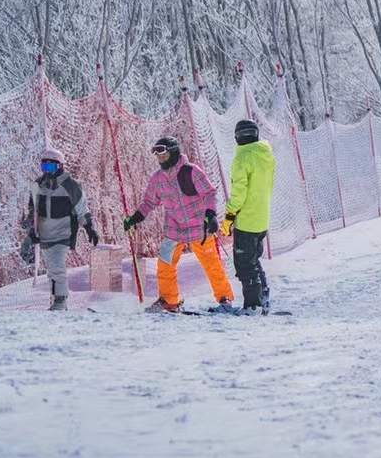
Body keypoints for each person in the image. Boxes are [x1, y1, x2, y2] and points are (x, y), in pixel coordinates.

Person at [122, 136, 235, 313]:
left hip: (198, 227)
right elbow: (149, 202)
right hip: (174, 229)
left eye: (163, 153)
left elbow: (209, 193)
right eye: (157, 154)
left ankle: (224, 298)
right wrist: (135, 218)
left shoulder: (191, 171)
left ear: (173, 151)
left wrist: (211, 215)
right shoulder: (158, 179)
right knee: (164, 263)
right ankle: (169, 300)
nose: (159, 157)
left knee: (211, 264)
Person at [19, 147, 97, 311]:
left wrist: (90, 228)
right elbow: (33, 211)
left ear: (60, 166)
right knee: (51, 269)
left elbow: (82, 209)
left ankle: (60, 300)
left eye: (51, 167)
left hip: (63, 232)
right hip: (45, 233)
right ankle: (56, 300)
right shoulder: (38, 185)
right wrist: (30, 231)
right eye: (44, 167)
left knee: (56, 266)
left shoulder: (70, 185)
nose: (48, 171)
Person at [222, 118, 276, 314]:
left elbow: (239, 193)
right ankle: (263, 295)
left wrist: (229, 216)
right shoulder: (266, 156)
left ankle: (253, 304)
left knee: (244, 263)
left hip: (247, 219)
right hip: (262, 218)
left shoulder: (242, 160)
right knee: (253, 260)